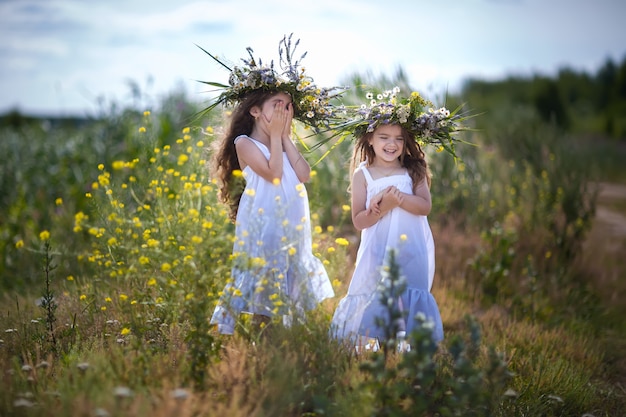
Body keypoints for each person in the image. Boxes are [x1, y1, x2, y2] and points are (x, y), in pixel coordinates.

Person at [202, 36, 341, 334]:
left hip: (291, 223)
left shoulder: (282, 142)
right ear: (255, 111)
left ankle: (284, 344)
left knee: (288, 287)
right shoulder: (244, 143)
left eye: (288, 107)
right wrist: (277, 137)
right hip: (265, 222)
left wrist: (286, 137)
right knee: (265, 286)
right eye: (277, 105)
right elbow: (274, 174)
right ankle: (258, 346)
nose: (284, 112)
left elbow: (303, 174)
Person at [330, 88, 454, 347]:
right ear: (370, 139)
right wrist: (381, 207)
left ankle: (410, 357)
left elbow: (424, 207)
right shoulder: (363, 175)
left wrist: (398, 198)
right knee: (378, 296)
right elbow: (359, 221)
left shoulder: (413, 169)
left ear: (406, 142)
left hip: (412, 248)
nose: (391, 144)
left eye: (398, 138)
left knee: (408, 298)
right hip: (379, 249)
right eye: (384, 136)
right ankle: (383, 354)